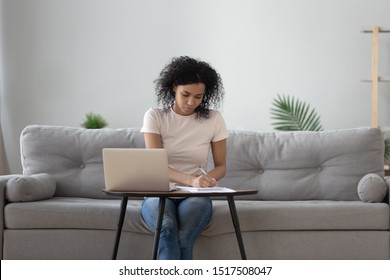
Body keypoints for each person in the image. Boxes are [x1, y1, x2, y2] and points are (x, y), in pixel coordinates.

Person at [140, 56, 228, 260]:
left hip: (195, 194)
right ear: (173, 88)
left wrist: (208, 180)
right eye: (185, 94)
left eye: (198, 97)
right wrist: (191, 180)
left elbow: (222, 166)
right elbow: (155, 165)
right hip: (158, 191)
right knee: (167, 227)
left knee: (184, 237)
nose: (191, 102)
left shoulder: (214, 119)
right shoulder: (155, 116)